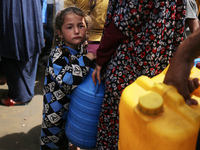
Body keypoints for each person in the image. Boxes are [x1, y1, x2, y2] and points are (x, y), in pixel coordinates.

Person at [92, 0, 188, 149]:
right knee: (142, 129)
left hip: (127, 68)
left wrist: (101, 57)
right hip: (158, 71)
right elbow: (178, 30)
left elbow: (122, 23)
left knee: (116, 128)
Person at [40, 7, 96, 150]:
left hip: (72, 107)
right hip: (55, 111)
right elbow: (68, 80)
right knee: (51, 142)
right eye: (70, 27)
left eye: (81, 26)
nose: (76, 31)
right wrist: (86, 60)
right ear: (60, 33)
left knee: (70, 134)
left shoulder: (82, 48)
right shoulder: (57, 54)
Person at [0, 0, 44, 106]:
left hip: (14, 11)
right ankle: (21, 92)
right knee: (25, 45)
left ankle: (20, 96)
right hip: (30, 10)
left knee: (13, 47)